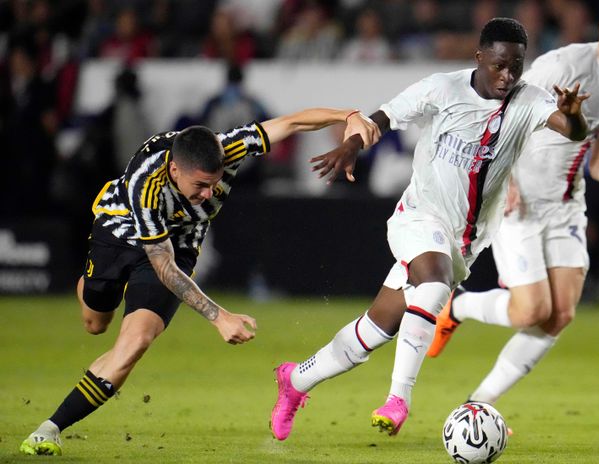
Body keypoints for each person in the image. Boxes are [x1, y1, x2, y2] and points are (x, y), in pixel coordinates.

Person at [270, 17, 589, 441]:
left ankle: (295, 380)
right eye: (498, 65)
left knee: (376, 329)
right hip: (419, 216)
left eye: (515, 65)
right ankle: (398, 399)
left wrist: (574, 114)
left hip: (466, 240)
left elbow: (572, 131)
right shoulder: (442, 89)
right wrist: (351, 145)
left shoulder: (530, 100)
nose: (507, 75)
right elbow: (381, 119)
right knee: (435, 286)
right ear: (479, 58)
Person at [19, 107, 380, 456]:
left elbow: (291, 122)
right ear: (174, 170)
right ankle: (92, 285)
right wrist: (219, 316)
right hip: (119, 235)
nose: (209, 193)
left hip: (177, 246)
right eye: (201, 185)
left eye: (215, 183)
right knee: (95, 324)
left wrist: (345, 115)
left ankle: (48, 428)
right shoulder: (145, 184)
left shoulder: (230, 146)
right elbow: (161, 265)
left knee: (136, 341)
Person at [426, 0, 599, 413]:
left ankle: (477, 405)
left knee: (559, 314)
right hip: (520, 198)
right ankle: (455, 306)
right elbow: (501, 106)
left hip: (565, 206)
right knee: (530, 309)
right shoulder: (563, 65)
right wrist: (503, 175)